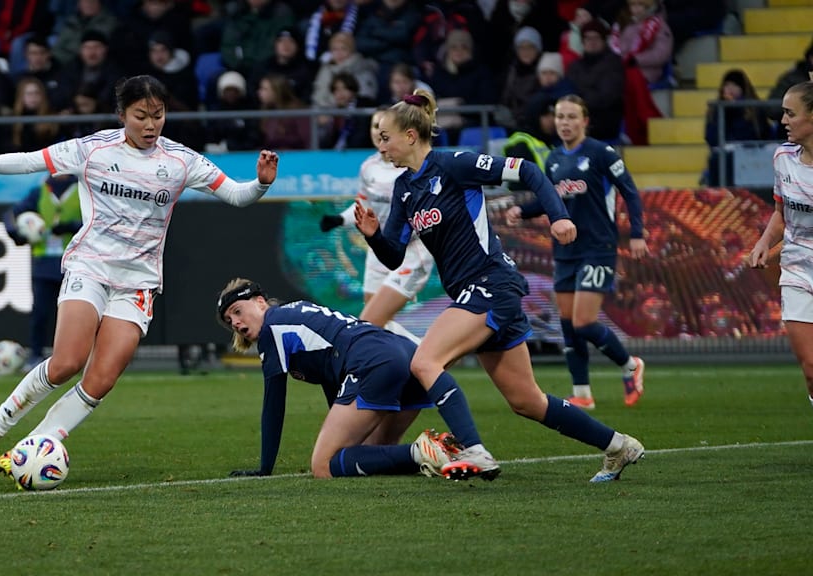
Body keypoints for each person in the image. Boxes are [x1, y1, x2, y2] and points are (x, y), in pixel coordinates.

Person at [0, 75, 280, 474]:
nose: (150, 125)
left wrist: (260, 184)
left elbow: (235, 193)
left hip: (138, 283)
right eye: (141, 116)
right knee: (66, 363)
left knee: (101, 379)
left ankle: (33, 447)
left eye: (158, 116)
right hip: (89, 267)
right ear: (122, 115)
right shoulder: (92, 149)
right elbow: (32, 159)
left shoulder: (180, 161)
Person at [354, 89, 645, 482]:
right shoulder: (405, 190)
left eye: (385, 136)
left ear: (410, 135)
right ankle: (618, 446)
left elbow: (528, 171)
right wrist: (373, 234)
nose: (380, 145)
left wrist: (557, 217)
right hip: (476, 293)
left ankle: (474, 449)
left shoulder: (454, 164)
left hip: (490, 283)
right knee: (527, 402)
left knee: (424, 361)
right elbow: (393, 255)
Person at [217, 279, 467, 479]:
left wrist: (265, 468)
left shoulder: (272, 329)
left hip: (373, 360)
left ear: (260, 302)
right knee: (369, 457)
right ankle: (446, 453)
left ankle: (423, 451)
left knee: (324, 465)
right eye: (230, 321)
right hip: (402, 352)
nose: (236, 322)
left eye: (238, 311)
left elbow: (274, 403)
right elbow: (330, 376)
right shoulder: (292, 313)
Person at [505, 94, 648, 410]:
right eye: (560, 117)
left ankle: (629, 364)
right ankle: (582, 393)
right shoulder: (554, 158)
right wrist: (522, 211)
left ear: (585, 121)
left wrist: (636, 233)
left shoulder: (601, 152)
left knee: (584, 322)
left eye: (571, 117)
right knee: (568, 324)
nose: (565, 123)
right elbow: (550, 201)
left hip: (597, 247)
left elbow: (630, 191)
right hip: (565, 250)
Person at [319, 107, 433, 344]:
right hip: (379, 247)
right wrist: (340, 219)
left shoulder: (410, 165)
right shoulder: (368, 167)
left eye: (384, 128)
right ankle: (420, 355)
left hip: (411, 250)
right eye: (374, 126)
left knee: (370, 322)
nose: (378, 133)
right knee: (371, 324)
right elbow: (363, 205)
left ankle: (427, 356)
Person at [749, 80, 813, 412]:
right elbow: (780, 212)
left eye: (790, 113)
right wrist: (763, 242)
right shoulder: (782, 158)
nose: (784, 120)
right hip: (798, 269)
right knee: (811, 368)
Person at [2, 174, 81, 367]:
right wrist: (15, 233)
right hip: (44, 263)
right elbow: (10, 216)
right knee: (40, 314)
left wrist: (71, 227)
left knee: (76, 316)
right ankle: (36, 355)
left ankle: (80, 357)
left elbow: (98, 221)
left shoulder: (83, 189)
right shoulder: (40, 192)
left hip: (76, 262)